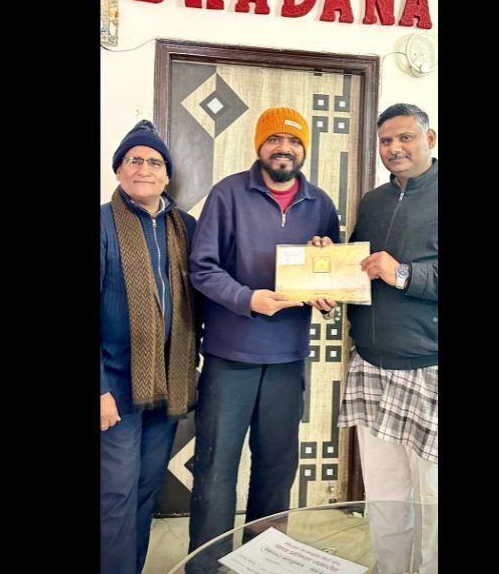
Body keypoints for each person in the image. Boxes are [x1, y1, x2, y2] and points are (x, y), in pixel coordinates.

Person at [186, 107, 340, 570]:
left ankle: (262, 562)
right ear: (260, 145)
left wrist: (327, 292)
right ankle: (206, 567)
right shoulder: (227, 193)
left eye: (293, 141)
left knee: (276, 471)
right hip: (230, 357)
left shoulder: (321, 204)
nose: (283, 148)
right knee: (216, 469)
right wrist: (248, 299)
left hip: (288, 358)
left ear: (304, 149)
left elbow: (330, 276)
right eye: (274, 139)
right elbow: (202, 268)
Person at [338, 103, 438, 574]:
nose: (394, 148)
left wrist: (402, 274)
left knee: (432, 496)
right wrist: (328, 267)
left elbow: (393, 271)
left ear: (430, 139)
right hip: (372, 365)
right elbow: (359, 265)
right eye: (385, 141)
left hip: (429, 365)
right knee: (384, 492)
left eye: (405, 137)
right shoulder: (373, 201)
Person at [100, 119, 200, 574]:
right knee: (115, 493)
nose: (144, 169)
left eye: (155, 162)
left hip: (167, 384)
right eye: (134, 160)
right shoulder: (103, 223)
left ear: (167, 174)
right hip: (116, 385)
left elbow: (216, 280)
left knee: (144, 489)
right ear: (119, 170)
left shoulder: (186, 227)